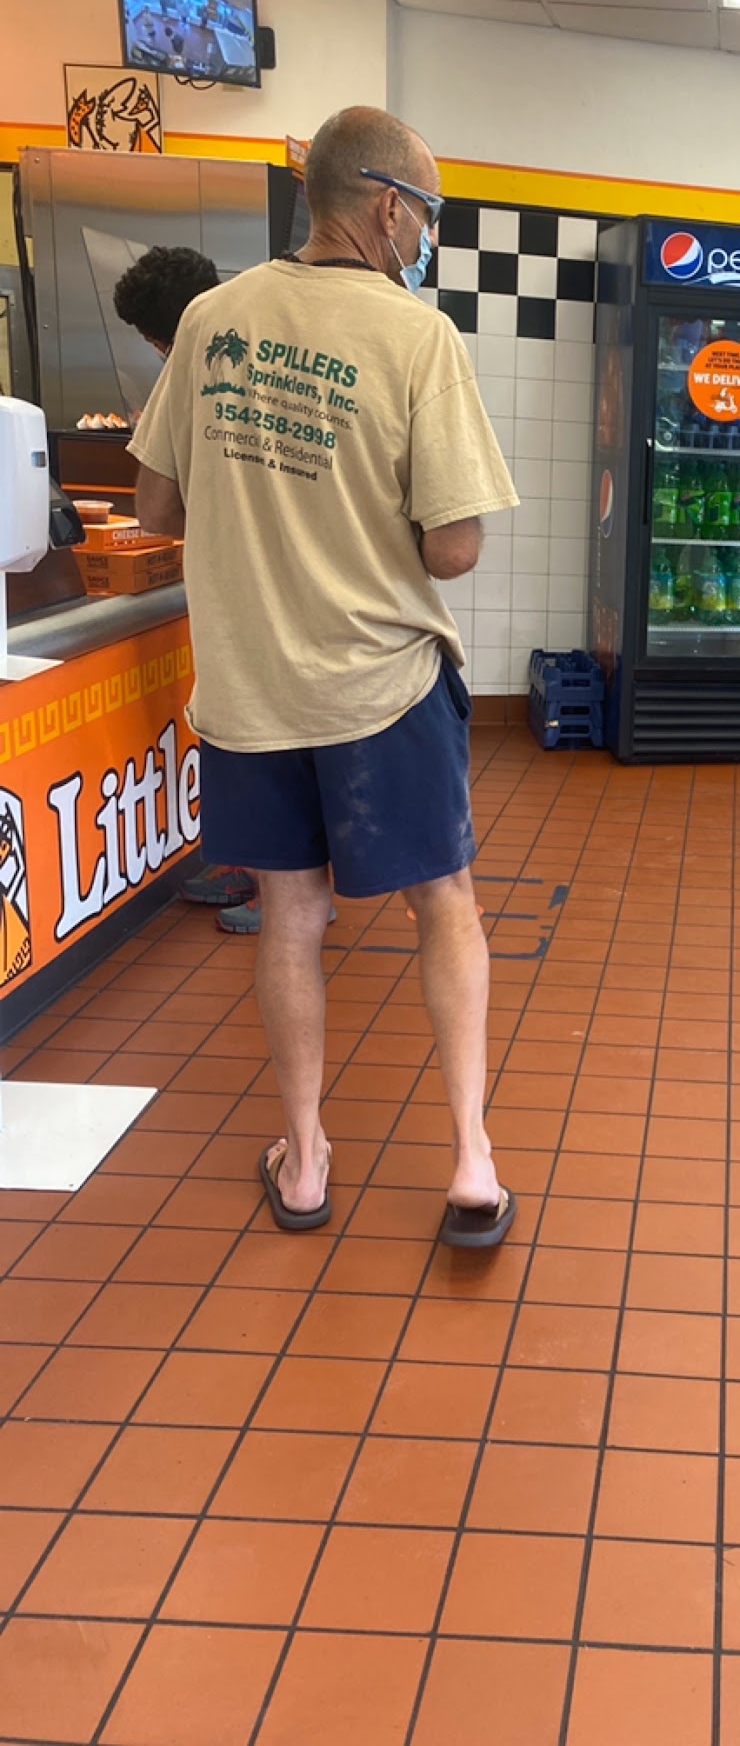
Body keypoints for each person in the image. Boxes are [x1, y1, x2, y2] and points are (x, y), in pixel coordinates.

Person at [131, 105, 520, 1247]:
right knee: (443, 905)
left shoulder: (210, 318)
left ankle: (304, 1163)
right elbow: (455, 546)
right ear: (390, 208)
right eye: (429, 213)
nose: (428, 234)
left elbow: (155, 509)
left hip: (251, 692)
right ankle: (471, 1161)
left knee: (290, 917)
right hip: (381, 687)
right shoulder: (416, 337)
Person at [113, 246, 264, 930]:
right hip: (301, 595)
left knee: (254, 742)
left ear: (160, 337)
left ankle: (278, 888)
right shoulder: (275, 349)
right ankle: (273, 878)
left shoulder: (192, 369)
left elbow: (154, 510)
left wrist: (217, 520)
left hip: (239, 591)